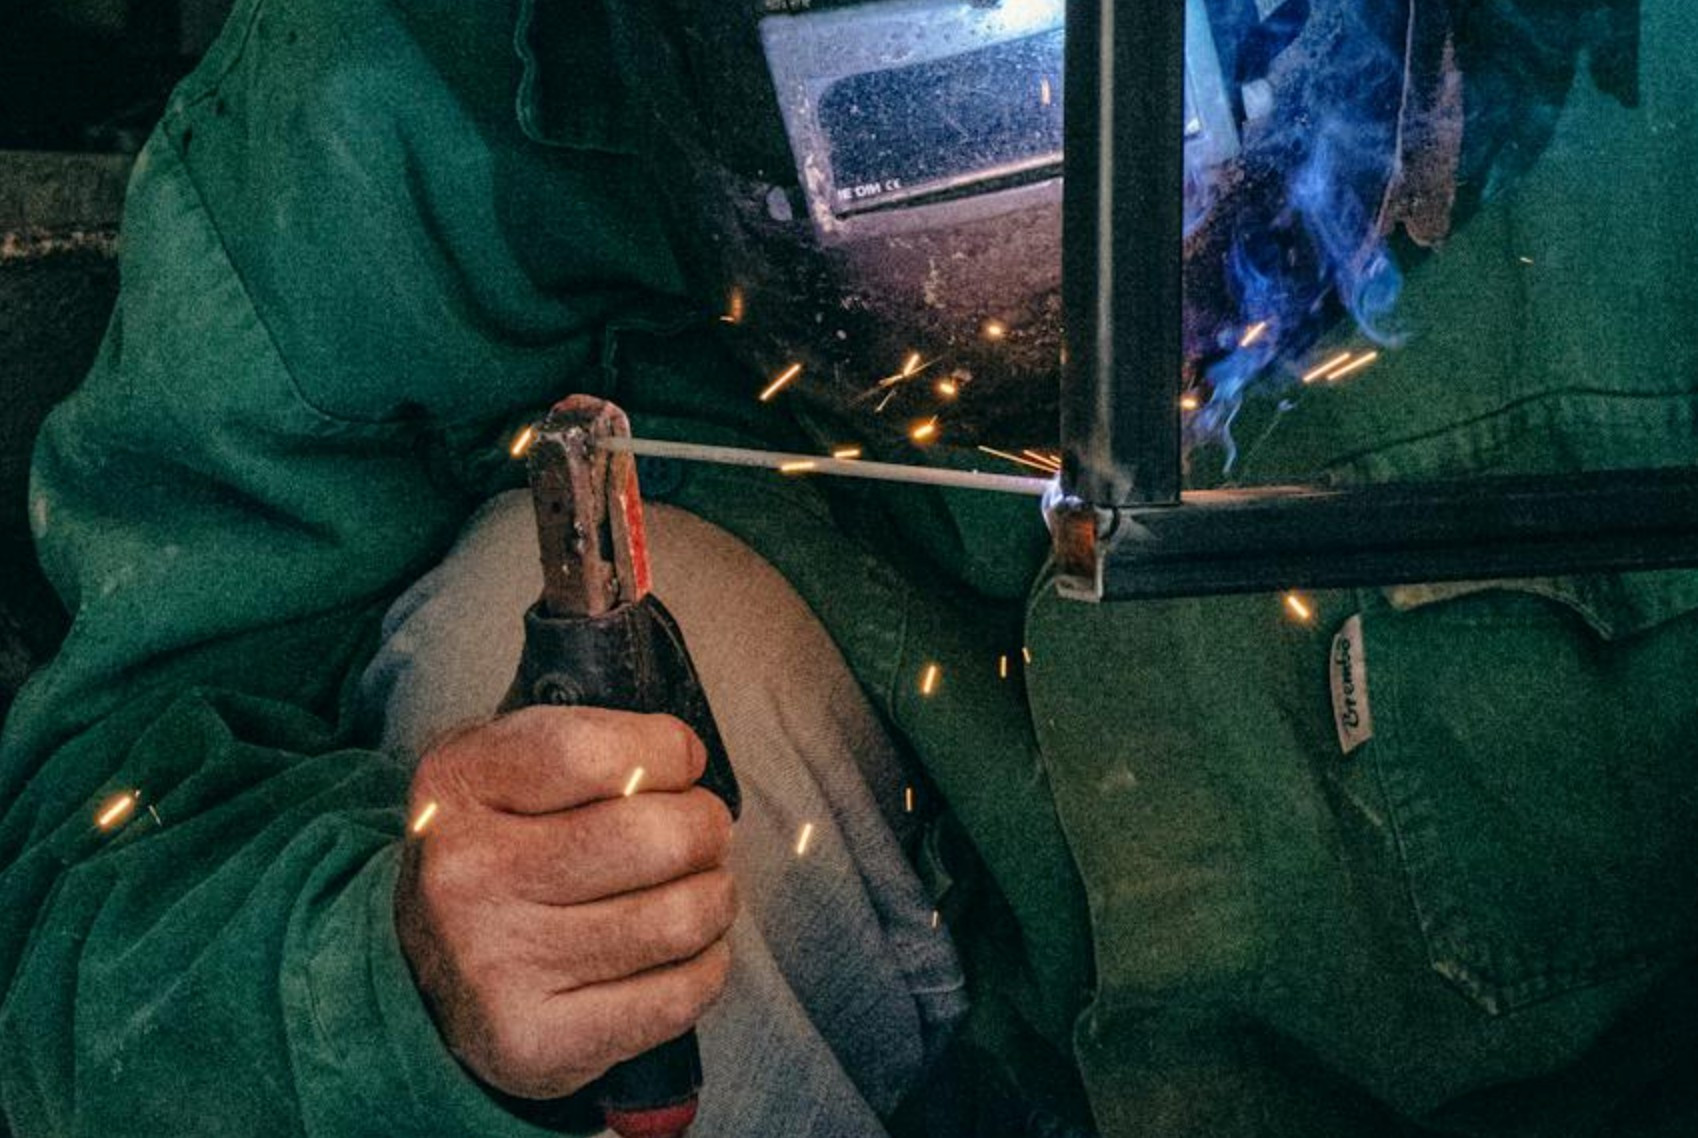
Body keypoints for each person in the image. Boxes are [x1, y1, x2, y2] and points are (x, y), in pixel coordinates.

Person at [2, 1, 1695, 1136]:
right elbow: (79, 926)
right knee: (514, 688)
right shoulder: (381, 106)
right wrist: (400, 977)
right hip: (901, 1053)